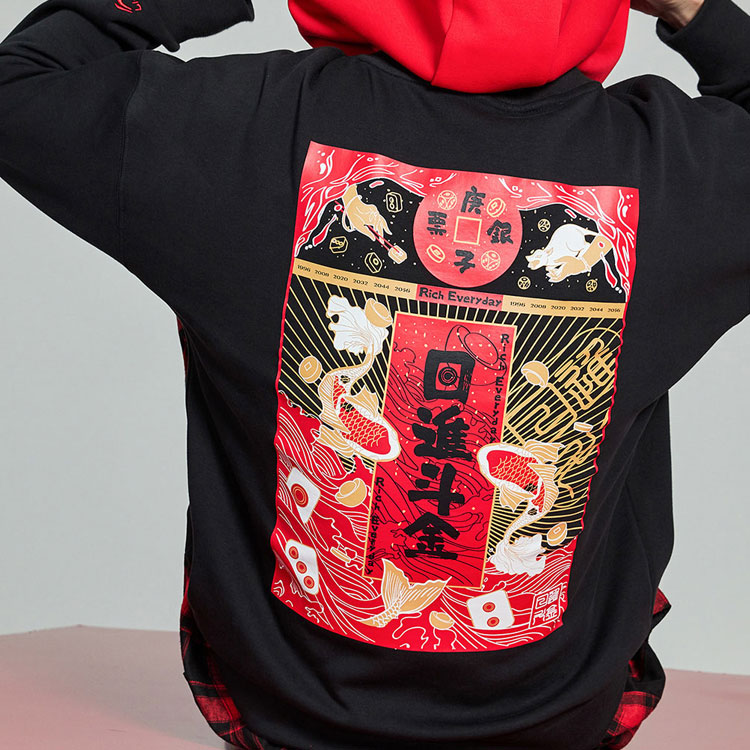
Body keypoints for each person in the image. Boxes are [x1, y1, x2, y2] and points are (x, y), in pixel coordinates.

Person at [0, 0, 748, 748]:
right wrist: (701, 14)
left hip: (280, 713)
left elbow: (20, 86)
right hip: (562, 717)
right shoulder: (681, 170)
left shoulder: (239, 129)